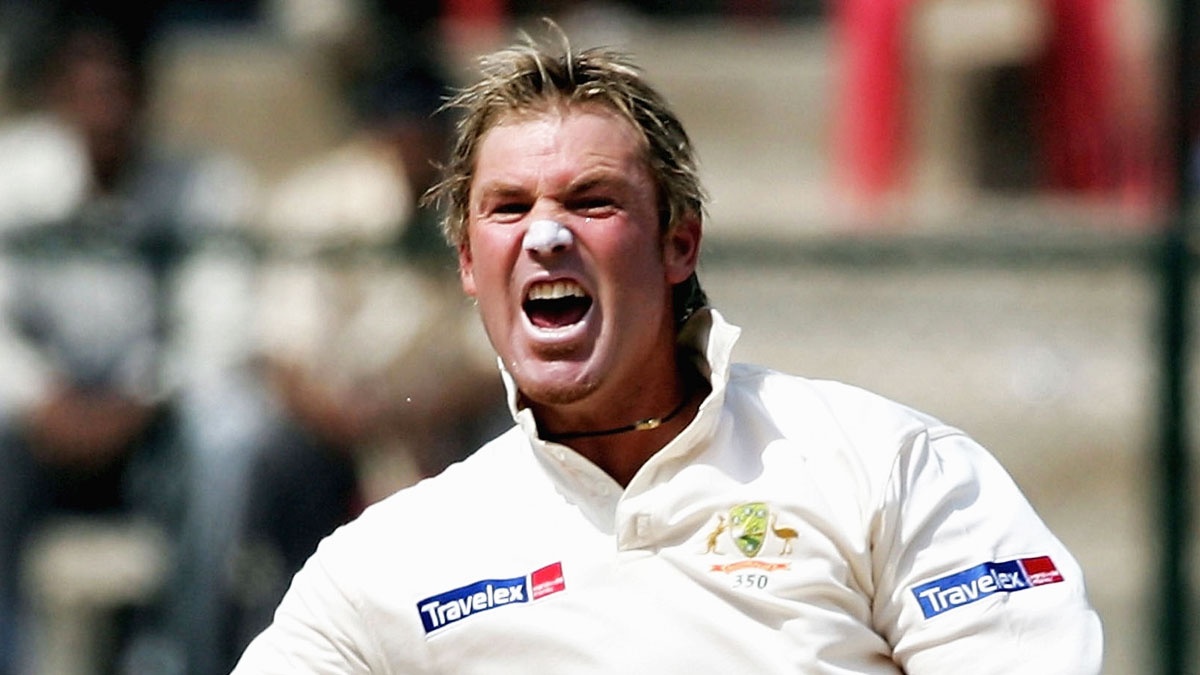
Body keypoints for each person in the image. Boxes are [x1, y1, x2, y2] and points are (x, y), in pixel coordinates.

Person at [231, 25, 1103, 673]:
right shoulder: (388, 562)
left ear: (679, 243)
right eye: (509, 208)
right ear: (467, 263)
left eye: (591, 201)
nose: (545, 236)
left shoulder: (886, 468)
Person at [0, 14, 258, 675]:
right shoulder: (12, 174)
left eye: (116, 91)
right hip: (39, 424)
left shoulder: (202, 184)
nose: (103, 110)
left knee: (230, 429)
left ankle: (191, 654)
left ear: (144, 96)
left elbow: (217, 325)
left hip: (151, 423)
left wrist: (140, 396)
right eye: (86, 91)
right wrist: (38, 395)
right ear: (58, 95)